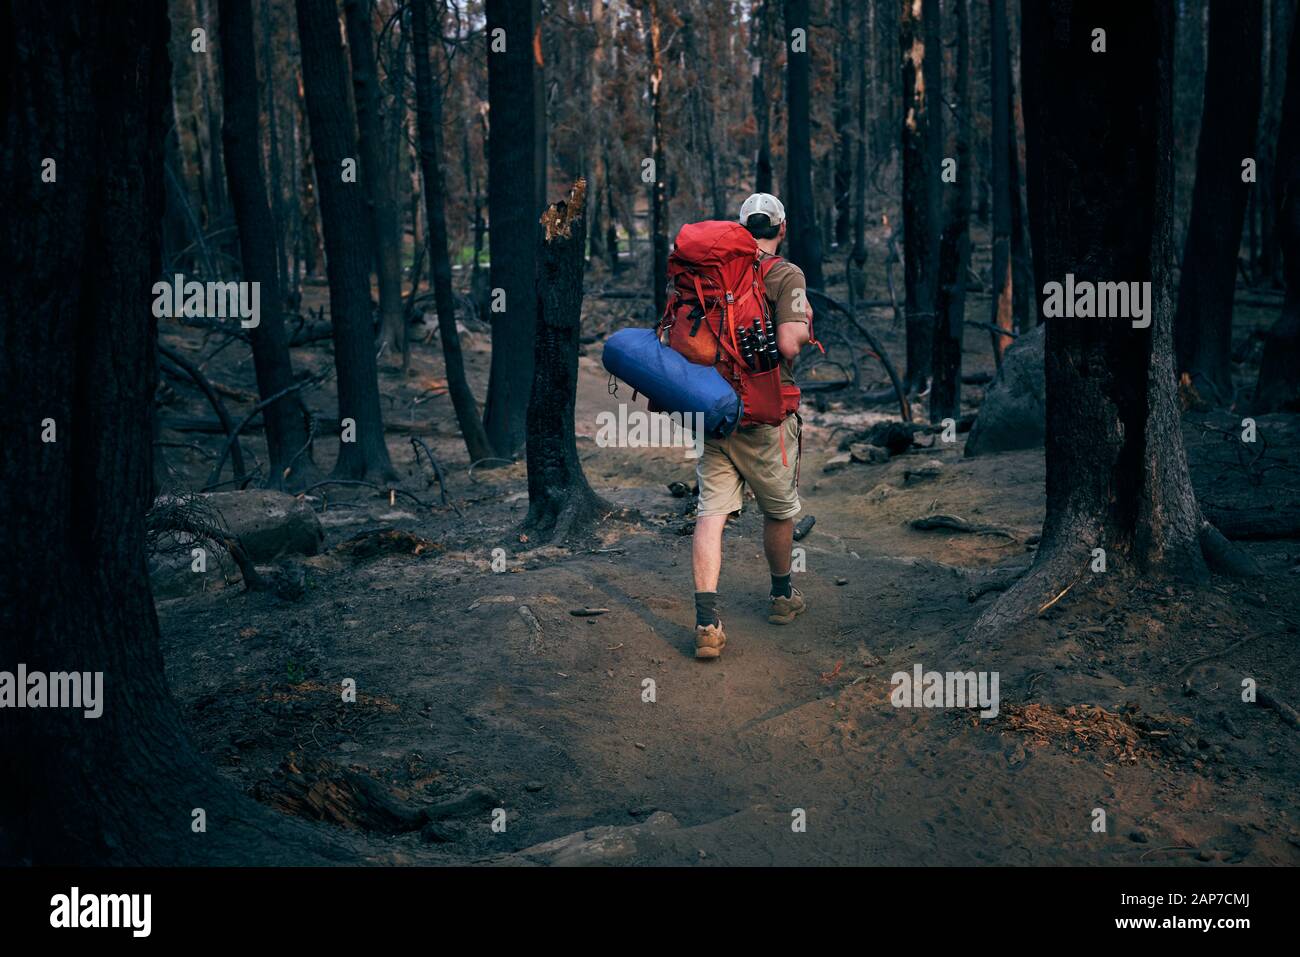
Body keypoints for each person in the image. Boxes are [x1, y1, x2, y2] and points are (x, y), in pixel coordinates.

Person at [693, 192, 811, 660]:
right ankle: (782, 598)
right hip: (766, 415)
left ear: (743, 229)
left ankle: (706, 623)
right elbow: (790, 344)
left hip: (715, 411)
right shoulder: (787, 274)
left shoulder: (713, 271)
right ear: (782, 229)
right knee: (779, 511)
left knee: (711, 514)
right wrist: (803, 324)